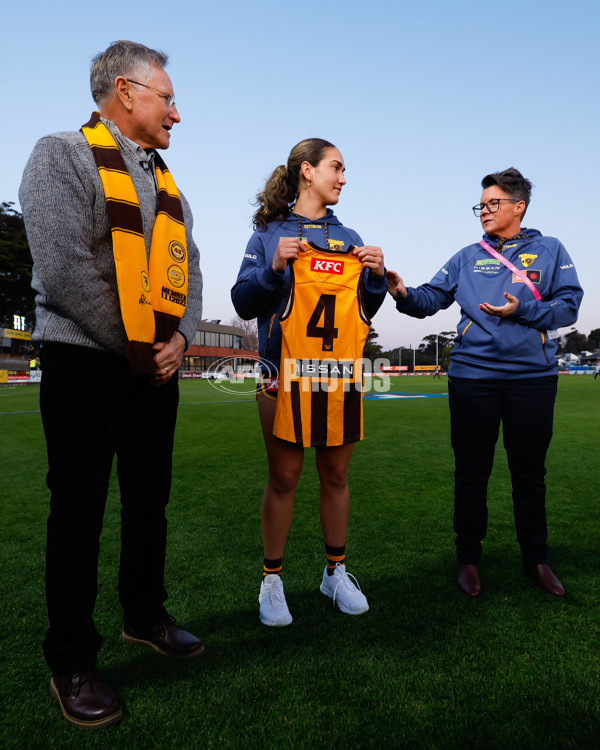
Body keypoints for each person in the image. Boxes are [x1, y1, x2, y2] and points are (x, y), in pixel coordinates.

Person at [19, 40, 204, 729]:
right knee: (78, 511)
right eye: (167, 98)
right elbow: (65, 269)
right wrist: (134, 347)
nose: (176, 114)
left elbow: (191, 275)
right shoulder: (60, 154)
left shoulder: (167, 180)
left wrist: (178, 341)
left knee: (148, 500)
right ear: (125, 92)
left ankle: (144, 614)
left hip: (154, 364)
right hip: (86, 361)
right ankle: (71, 661)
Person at [387, 168, 582, 598]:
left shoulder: (550, 250)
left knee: (530, 474)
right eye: (481, 205)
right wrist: (402, 293)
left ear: (519, 206)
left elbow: (569, 305)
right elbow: (430, 298)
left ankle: (536, 559)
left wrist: (523, 310)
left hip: (531, 380)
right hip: (472, 378)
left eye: (493, 204)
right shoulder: (466, 255)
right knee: (471, 473)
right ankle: (468, 561)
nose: (484, 212)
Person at [231, 139, 386, 626]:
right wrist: (274, 268)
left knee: (336, 476)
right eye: (336, 168)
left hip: (337, 375)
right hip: (281, 374)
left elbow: (363, 311)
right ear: (307, 171)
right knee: (284, 478)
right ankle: (272, 579)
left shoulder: (351, 236)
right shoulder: (267, 234)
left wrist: (377, 277)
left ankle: (334, 573)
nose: (343, 178)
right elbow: (242, 302)